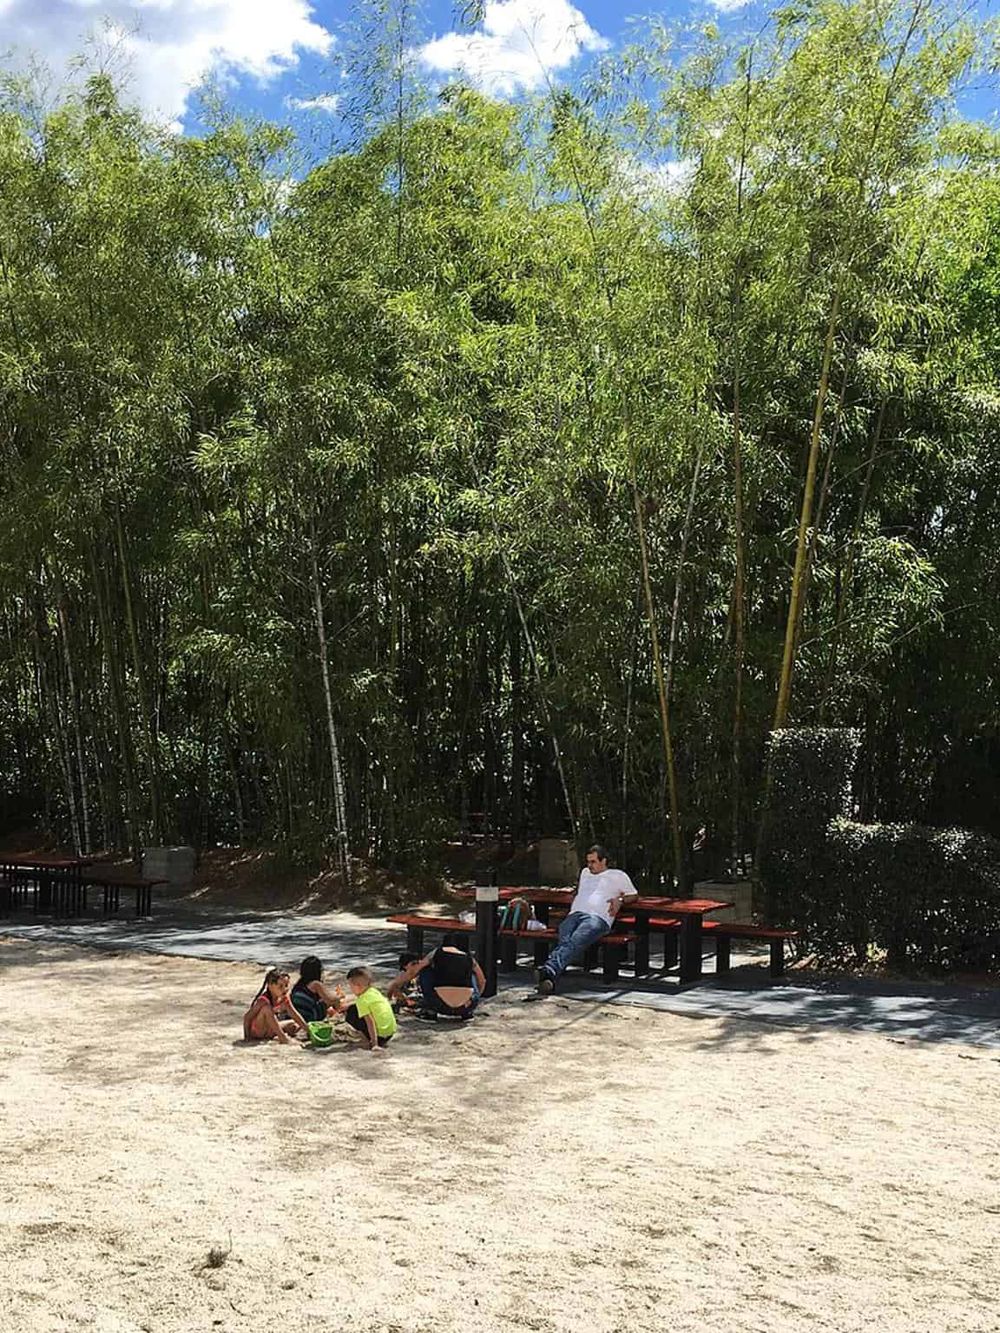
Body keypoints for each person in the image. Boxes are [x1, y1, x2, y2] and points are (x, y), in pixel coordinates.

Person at [535, 844, 638, 995]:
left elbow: (634, 895)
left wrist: (620, 900)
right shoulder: (584, 873)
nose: (589, 866)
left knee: (575, 940)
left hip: (597, 918)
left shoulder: (618, 876)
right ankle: (549, 977)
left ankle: (549, 969)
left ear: (604, 861)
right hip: (574, 914)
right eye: (588, 862)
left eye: (593, 862)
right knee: (566, 939)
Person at [387, 933, 486, 1020]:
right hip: (466, 1006)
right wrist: (473, 999)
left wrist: (395, 986)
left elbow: (413, 972)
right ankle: (467, 1012)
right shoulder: (470, 959)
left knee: (425, 969)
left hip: (439, 1005)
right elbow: (482, 981)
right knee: (471, 973)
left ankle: (431, 1012)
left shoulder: (435, 953)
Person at [337, 966, 397, 1053]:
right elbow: (358, 1000)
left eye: (350, 986)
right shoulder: (373, 991)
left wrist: (374, 1044)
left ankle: (367, 1039)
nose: (350, 989)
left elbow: (370, 1022)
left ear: (358, 986)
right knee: (353, 1007)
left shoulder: (362, 1001)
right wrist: (347, 1004)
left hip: (380, 1037)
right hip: (389, 1033)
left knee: (351, 1013)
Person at [243, 968, 308, 1044]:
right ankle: (282, 1038)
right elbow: (247, 1017)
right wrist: (247, 1037)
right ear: (270, 986)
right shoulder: (263, 1000)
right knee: (267, 1009)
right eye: (280, 986)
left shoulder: (284, 998)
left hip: (270, 1031)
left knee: (294, 1025)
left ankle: (281, 1035)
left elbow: (294, 1014)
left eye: (286, 985)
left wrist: (308, 1029)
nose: (285, 989)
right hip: (258, 1032)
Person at [290, 955, 343, 1024]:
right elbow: (330, 1000)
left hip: (297, 1016)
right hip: (309, 1017)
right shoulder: (316, 984)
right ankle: (338, 1014)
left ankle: (335, 1012)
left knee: (325, 1002)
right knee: (335, 1000)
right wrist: (339, 996)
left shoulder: (299, 984)